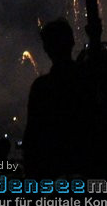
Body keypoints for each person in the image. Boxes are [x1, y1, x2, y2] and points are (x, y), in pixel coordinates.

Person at [22, 18, 94, 178]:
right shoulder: (89, 80)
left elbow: (32, 141)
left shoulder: (41, 87)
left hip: (53, 176)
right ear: (72, 42)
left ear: (46, 48)